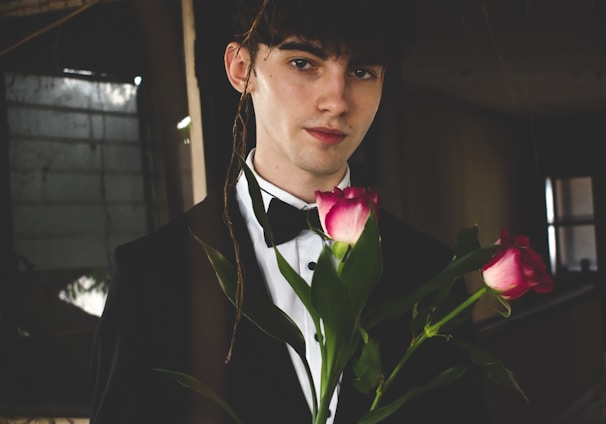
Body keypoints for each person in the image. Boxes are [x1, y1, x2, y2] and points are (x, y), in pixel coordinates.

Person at [89, 0, 489, 423]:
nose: (336, 101)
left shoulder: (433, 271)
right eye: (303, 63)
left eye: (361, 72)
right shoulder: (149, 274)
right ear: (242, 69)